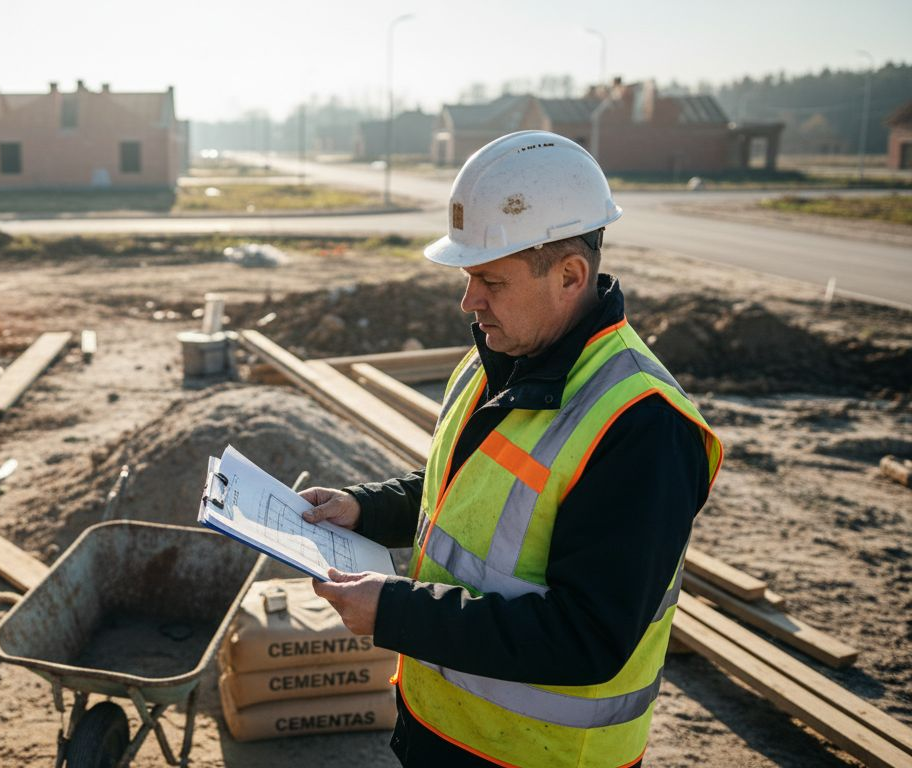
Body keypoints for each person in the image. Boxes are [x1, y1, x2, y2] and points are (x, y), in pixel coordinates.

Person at [301, 130, 723, 768]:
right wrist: (365, 509)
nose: (468, 301)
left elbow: (588, 637)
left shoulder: (643, 426)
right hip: (441, 730)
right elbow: (465, 489)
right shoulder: (498, 357)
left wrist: (395, 612)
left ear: (570, 276)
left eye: (489, 280)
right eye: (469, 277)